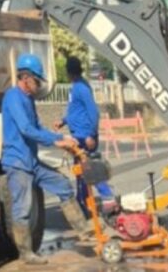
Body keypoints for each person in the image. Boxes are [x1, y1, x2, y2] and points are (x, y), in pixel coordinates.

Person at [1, 53, 93, 265]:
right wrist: (57, 139)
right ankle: (26, 254)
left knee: (62, 185)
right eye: (37, 80)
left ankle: (84, 231)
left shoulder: (28, 99)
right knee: (22, 208)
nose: (39, 84)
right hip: (17, 162)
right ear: (25, 78)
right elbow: (25, 129)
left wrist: (60, 140)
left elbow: (37, 128)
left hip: (31, 160)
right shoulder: (13, 97)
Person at [55, 56, 115, 215]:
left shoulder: (81, 88)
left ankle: (108, 197)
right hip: (78, 135)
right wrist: (64, 121)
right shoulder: (75, 87)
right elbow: (76, 111)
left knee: (90, 168)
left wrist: (90, 134)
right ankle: (83, 203)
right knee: (81, 172)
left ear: (68, 72)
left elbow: (93, 112)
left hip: (84, 136)